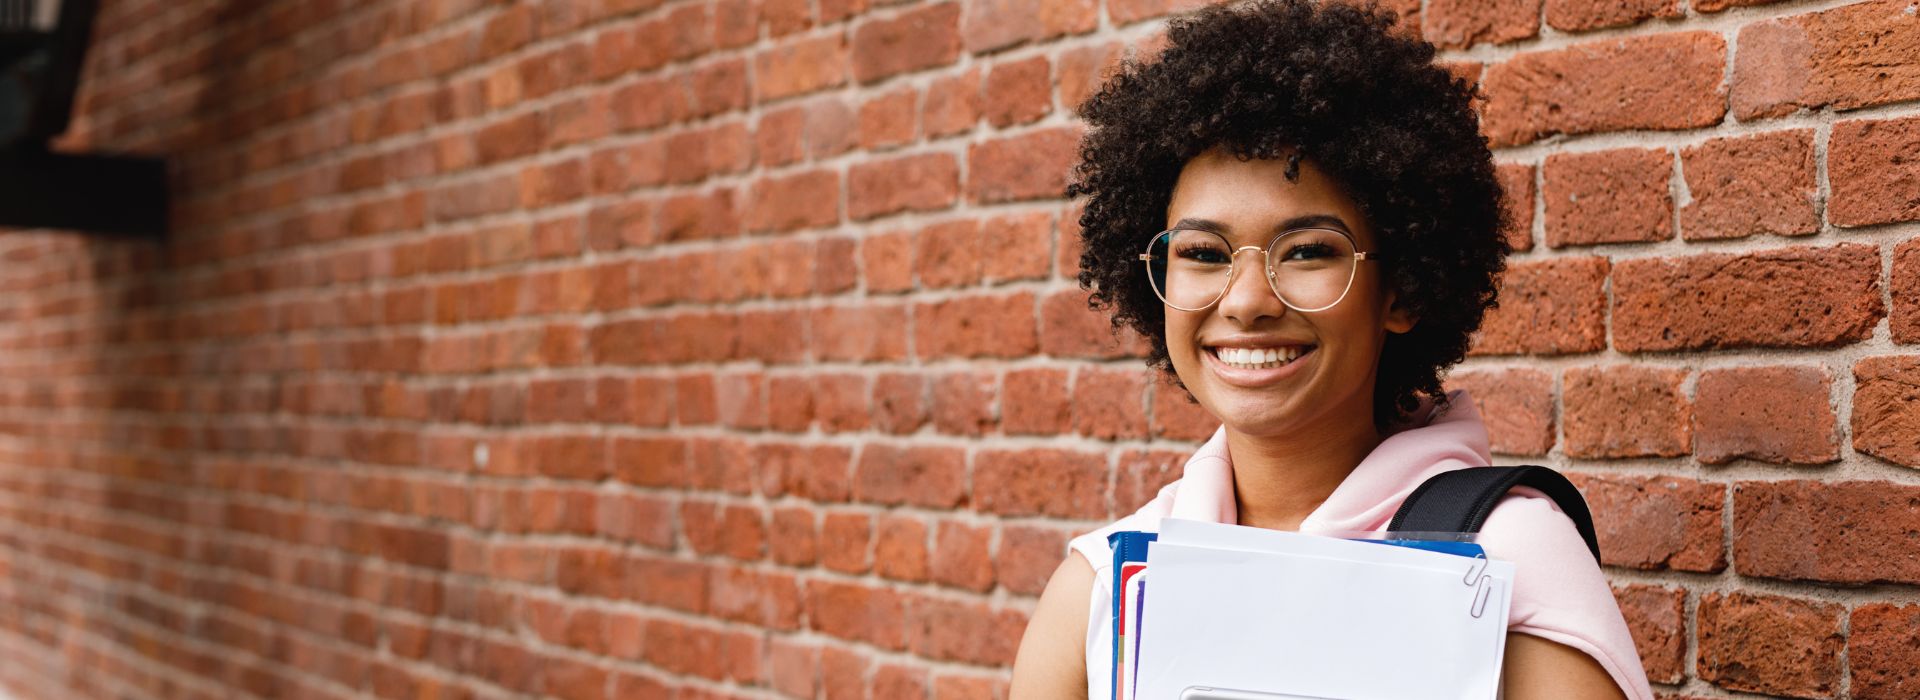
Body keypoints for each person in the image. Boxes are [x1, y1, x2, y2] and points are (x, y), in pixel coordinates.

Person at [1008, 1, 1651, 698]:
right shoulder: (1097, 591)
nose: (1247, 300)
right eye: (1201, 252)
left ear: (1401, 290)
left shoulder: (1507, 558)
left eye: (1309, 250)